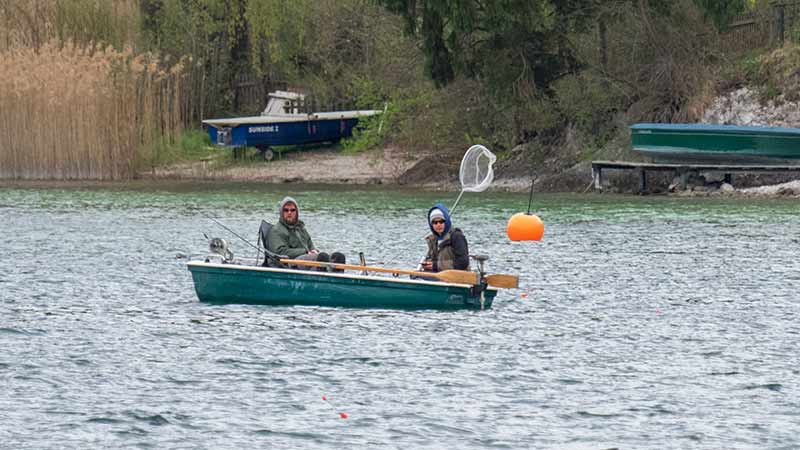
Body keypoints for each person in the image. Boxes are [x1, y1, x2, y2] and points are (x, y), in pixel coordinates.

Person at [266, 196, 345, 269]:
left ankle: (337, 279)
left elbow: (310, 245)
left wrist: (314, 251)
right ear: (281, 213)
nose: (289, 213)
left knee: (338, 257)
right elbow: (280, 252)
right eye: (286, 210)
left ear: (296, 212)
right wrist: (305, 252)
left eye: (292, 210)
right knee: (321, 258)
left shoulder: (301, 229)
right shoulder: (276, 231)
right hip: (289, 263)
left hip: (306, 259)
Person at [421, 203, 469, 272]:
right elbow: (432, 259)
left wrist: (436, 266)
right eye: (435, 222)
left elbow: (463, 262)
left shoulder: (457, 236)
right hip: (437, 276)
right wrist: (427, 264)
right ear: (431, 225)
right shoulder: (433, 240)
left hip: (458, 277)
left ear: (446, 222)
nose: (438, 225)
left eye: (441, 221)